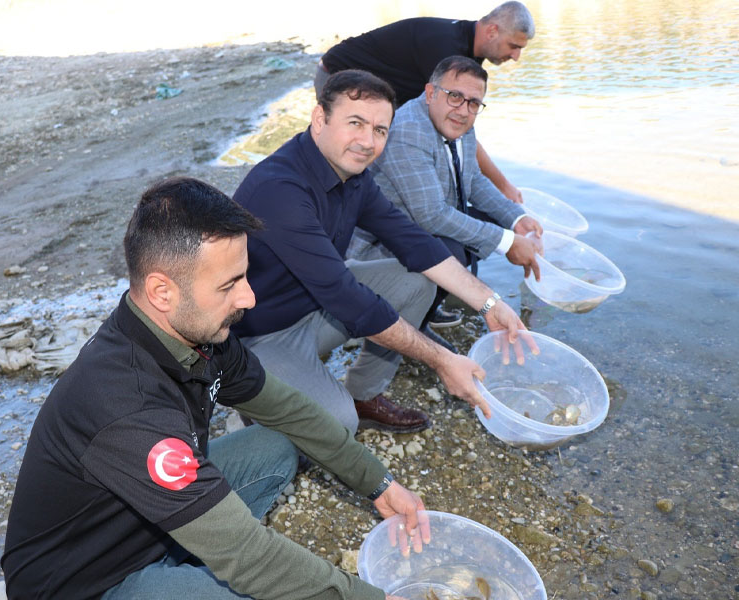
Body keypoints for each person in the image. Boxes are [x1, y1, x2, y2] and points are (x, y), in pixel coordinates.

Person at [1, 177, 427, 600]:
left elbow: (289, 410)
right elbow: (250, 556)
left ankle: (194, 553)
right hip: (87, 582)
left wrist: (379, 483)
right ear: (162, 291)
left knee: (274, 446)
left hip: (146, 525)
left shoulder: (201, 336)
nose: (249, 298)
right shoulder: (126, 405)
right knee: (245, 584)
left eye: (244, 276)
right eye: (229, 285)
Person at [232, 70, 532, 437]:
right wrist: (443, 361)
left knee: (418, 282)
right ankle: (254, 406)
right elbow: (349, 299)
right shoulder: (280, 189)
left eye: (379, 130)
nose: (366, 141)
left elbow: (413, 241)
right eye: (355, 123)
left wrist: (490, 303)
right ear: (319, 119)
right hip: (261, 335)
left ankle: (363, 396)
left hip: (316, 307)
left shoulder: (353, 173)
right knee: (336, 426)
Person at [347, 56, 543, 330]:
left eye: (473, 103)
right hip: (373, 249)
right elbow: (432, 216)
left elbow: (472, 178)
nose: (463, 111)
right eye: (454, 96)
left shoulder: (459, 121)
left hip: (414, 226)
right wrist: (507, 243)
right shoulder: (407, 132)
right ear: (430, 93)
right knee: (451, 249)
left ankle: (423, 314)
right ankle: (403, 322)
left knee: (491, 224)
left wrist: (515, 219)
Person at [314, 1, 535, 203]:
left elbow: (456, 134)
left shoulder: (468, 50)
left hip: (386, 92)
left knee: (414, 153)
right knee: (356, 155)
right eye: (514, 46)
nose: (516, 56)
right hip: (341, 77)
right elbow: (459, 129)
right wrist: (504, 186)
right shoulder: (446, 48)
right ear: (492, 31)